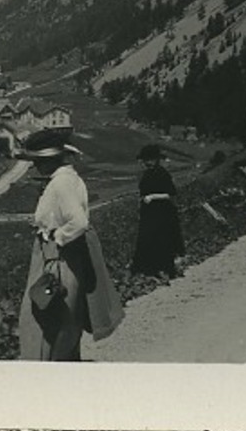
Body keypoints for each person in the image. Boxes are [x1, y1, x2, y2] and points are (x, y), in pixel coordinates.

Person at [17, 129, 124, 361]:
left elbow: (79, 222)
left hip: (57, 258)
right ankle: (64, 364)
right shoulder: (69, 178)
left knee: (41, 316)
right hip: (67, 257)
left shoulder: (60, 184)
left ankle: (45, 371)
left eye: (37, 161)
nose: (35, 166)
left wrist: (56, 236)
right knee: (65, 317)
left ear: (48, 160)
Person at [130, 143, 185, 278]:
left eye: (149, 159)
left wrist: (152, 197)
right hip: (149, 212)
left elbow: (170, 194)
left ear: (155, 159)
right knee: (149, 239)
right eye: (145, 160)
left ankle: (165, 268)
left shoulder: (162, 173)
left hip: (162, 212)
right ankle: (151, 269)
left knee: (162, 239)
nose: (146, 162)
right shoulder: (147, 174)